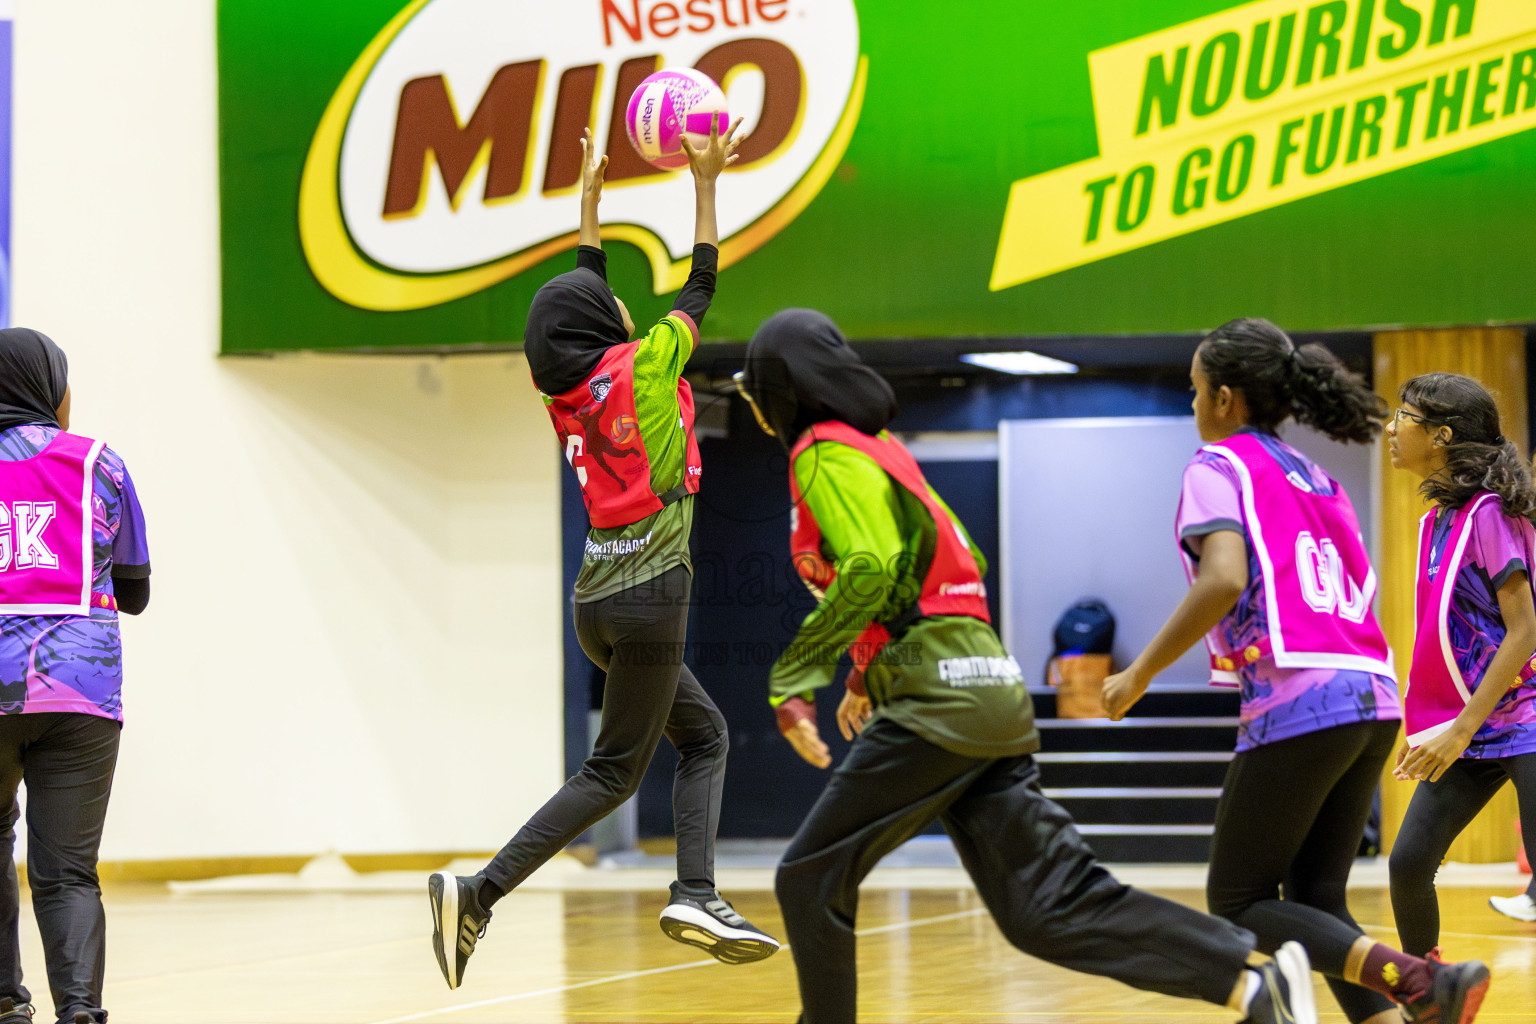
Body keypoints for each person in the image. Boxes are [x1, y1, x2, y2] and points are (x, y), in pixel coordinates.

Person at [736, 308, 1321, 1024]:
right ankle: (1249, 980)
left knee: (808, 876)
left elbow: (873, 568)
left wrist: (796, 682)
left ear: (776, 388)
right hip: (989, 688)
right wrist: (866, 669)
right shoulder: (882, 447)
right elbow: (959, 563)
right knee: (1045, 907)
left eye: (749, 388)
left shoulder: (823, 453)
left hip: (937, 700)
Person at [428, 121, 779, 991]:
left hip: (597, 603)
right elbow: (701, 279)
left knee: (704, 736)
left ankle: (695, 888)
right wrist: (704, 181)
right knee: (614, 772)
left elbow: (581, 286)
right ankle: (480, 891)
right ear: (604, 324)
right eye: (610, 298)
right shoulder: (651, 364)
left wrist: (588, 197)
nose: (620, 299)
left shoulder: (562, 386)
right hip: (651, 591)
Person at [1102, 319, 1490, 1024]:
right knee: (1316, 897)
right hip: (1371, 692)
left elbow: (1222, 579)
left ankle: (1420, 980)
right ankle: (1399, 1011)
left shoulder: (1216, 466)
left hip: (1301, 698)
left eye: (1194, 392)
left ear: (1224, 398)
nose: (1193, 407)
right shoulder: (1314, 476)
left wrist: (1139, 674)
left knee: (1238, 902)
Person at [0, 329, 151, 1024]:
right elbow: (136, 589)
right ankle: (81, 1013)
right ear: (51, 388)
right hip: (79, 691)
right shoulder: (99, 463)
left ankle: (5, 1003)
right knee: (67, 872)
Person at [1383, 373, 1536, 943]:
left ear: (1442, 435)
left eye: (1403, 416)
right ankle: (1432, 996)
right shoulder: (1435, 523)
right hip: (1477, 722)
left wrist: (1458, 729)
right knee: (1407, 865)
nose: (1390, 427)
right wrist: (1439, 724)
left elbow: (1524, 632)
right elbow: (1449, 640)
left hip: (1526, 715)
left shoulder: (1491, 514)